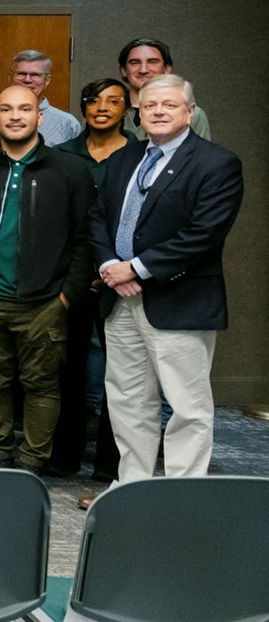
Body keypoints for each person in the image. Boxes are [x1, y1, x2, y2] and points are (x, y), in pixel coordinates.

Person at [91, 74, 242, 494]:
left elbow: (204, 234)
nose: (158, 111)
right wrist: (109, 264)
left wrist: (135, 268)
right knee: (127, 401)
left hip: (179, 299)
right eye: (150, 104)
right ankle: (132, 488)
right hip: (120, 301)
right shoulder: (125, 158)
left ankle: (183, 497)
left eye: (169, 105)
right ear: (138, 111)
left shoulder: (216, 163)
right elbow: (97, 217)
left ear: (189, 112)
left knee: (187, 407)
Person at [0, 85, 96, 472]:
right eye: (6, 109)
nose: (15, 116)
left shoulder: (70, 171)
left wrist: (66, 297)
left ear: (40, 117)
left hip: (45, 304)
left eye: (24, 109)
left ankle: (33, 462)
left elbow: (85, 240)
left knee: (42, 385)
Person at [54, 78, 135, 496]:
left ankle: (110, 461)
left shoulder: (139, 154)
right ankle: (64, 456)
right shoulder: (62, 155)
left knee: (120, 374)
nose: (101, 108)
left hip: (121, 278)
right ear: (83, 107)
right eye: (93, 100)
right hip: (71, 275)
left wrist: (110, 267)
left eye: (113, 101)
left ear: (127, 109)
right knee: (65, 368)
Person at [116, 38, 211, 139]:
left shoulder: (190, 113)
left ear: (167, 69)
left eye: (153, 62)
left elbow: (202, 153)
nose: (143, 70)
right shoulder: (109, 110)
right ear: (123, 70)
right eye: (135, 62)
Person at [6, 50, 81, 144]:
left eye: (35, 75)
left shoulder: (67, 123)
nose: (27, 80)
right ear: (10, 77)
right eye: (21, 74)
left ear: (47, 80)